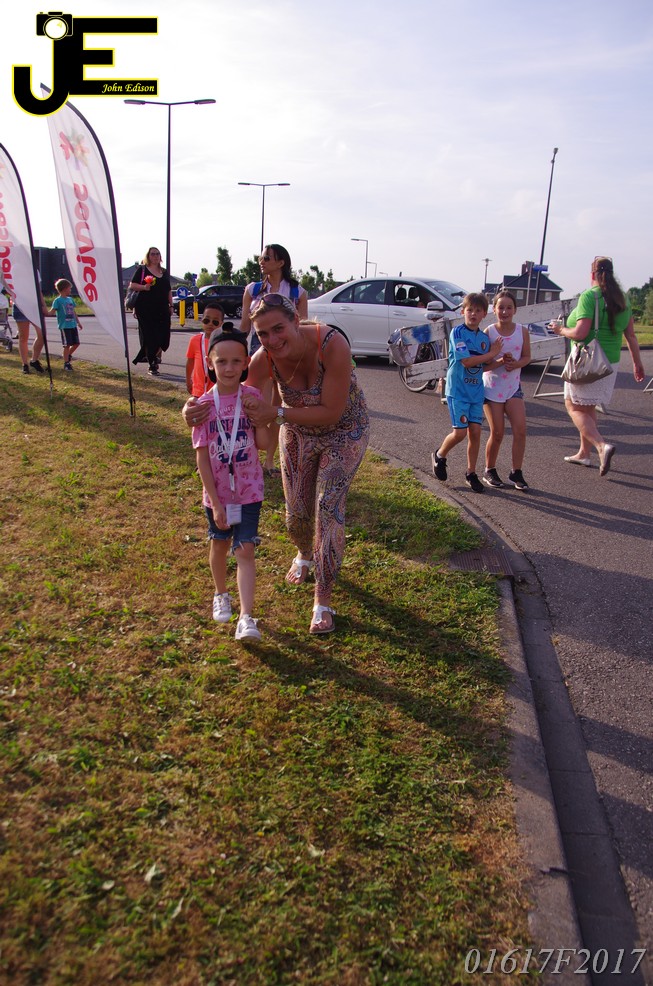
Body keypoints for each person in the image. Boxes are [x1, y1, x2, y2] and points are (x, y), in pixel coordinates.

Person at [183, 293, 370, 635]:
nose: (272, 339)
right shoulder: (263, 358)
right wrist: (192, 408)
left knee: (328, 507)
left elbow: (331, 411)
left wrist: (276, 412)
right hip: (297, 431)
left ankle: (323, 600)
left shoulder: (332, 344)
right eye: (263, 334)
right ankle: (304, 553)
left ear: (296, 321)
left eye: (278, 328)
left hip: (344, 431)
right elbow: (235, 397)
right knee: (296, 513)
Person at [192, 326, 270, 641]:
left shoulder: (252, 397)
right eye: (221, 361)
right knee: (220, 543)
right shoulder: (202, 406)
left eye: (236, 361)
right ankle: (220, 593)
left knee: (245, 549)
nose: (228, 368)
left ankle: (246, 618)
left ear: (246, 362)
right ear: (210, 363)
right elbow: (201, 458)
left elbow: (263, 443)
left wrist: (260, 419)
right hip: (219, 495)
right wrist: (215, 501)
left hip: (249, 491)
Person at [550, 256, 644, 476]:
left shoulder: (589, 296)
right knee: (588, 406)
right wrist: (637, 364)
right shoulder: (623, 299)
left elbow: (580, 332)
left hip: (587, 360)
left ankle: (601, 446)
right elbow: (631, 335)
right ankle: (584, 453)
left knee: (573, 406)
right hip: (609, 363)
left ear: (592, 274)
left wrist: (560, 330)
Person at [239, 245, 308, 475]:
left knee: (277, 408)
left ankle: (270, 460)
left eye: (267, 258)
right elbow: (245, 326)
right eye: (261, 257)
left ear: (281, 262)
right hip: (258, 352)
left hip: (286, 358)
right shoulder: (253, 289)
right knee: (256, 404)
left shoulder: (298, 292)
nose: (262, 261)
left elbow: (303, 327)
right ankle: (250, 455)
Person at [431, 292, 502, 493]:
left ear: (484, 314)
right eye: (470, 310)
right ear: (463, 312)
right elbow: (467, 361)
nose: (473, 314)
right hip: (458, 391)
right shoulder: (458, 333)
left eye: (478, 311)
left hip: (476, 393)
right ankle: (439, 455)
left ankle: (471, 473)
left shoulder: (484, 339)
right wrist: (492, 353)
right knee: (460, 433)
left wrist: (499, 361)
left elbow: (483, 366)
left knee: (476, 432)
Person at [481, 290, 531, 490]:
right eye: (500, 307)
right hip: (492, 388)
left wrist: (516, 364)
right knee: (497, 432)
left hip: (513, 387)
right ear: (494, 310)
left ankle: (516, 472)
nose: (505, 311)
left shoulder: (522, 331)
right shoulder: (489, 332)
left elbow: (527, 357)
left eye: (509, 307)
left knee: (520, 429)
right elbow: (483, 365)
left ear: (515, 310)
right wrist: (500, 361)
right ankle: (489, 469)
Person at [129, 248, 172, 375]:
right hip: (145, 309)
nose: (155, 256)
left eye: (157, 254)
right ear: (148, 256)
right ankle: (152, 364)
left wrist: (171, 305)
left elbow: (168, 290)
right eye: (153, 254)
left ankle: (151, 355)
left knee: (164, 336)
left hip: (162, 309)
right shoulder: (142, 270)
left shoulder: (164, 272)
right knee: (150, 336)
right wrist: (144, 287)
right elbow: (132, 285)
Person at [185, 303, 225, 397]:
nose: (210, 324)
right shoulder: (195, 340)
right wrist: (188, 380)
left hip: (219, 392)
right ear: (202, 320)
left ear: (221, 324)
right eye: (206, 320)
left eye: (215, 322)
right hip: (198, 390)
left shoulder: (225, 343)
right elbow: (190, 362)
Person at [48, 278, 82, 371]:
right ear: (64, 288)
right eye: (69, 288)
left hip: (72, 325)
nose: (70, 290)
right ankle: (66, 363)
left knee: (76, 343)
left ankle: (67, 355)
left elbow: (73, 312)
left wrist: (78, 322)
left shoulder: (70, 299)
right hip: (65, 326)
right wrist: (44, 312)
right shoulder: (58, 301)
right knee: (67, 344)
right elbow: (51, 312)